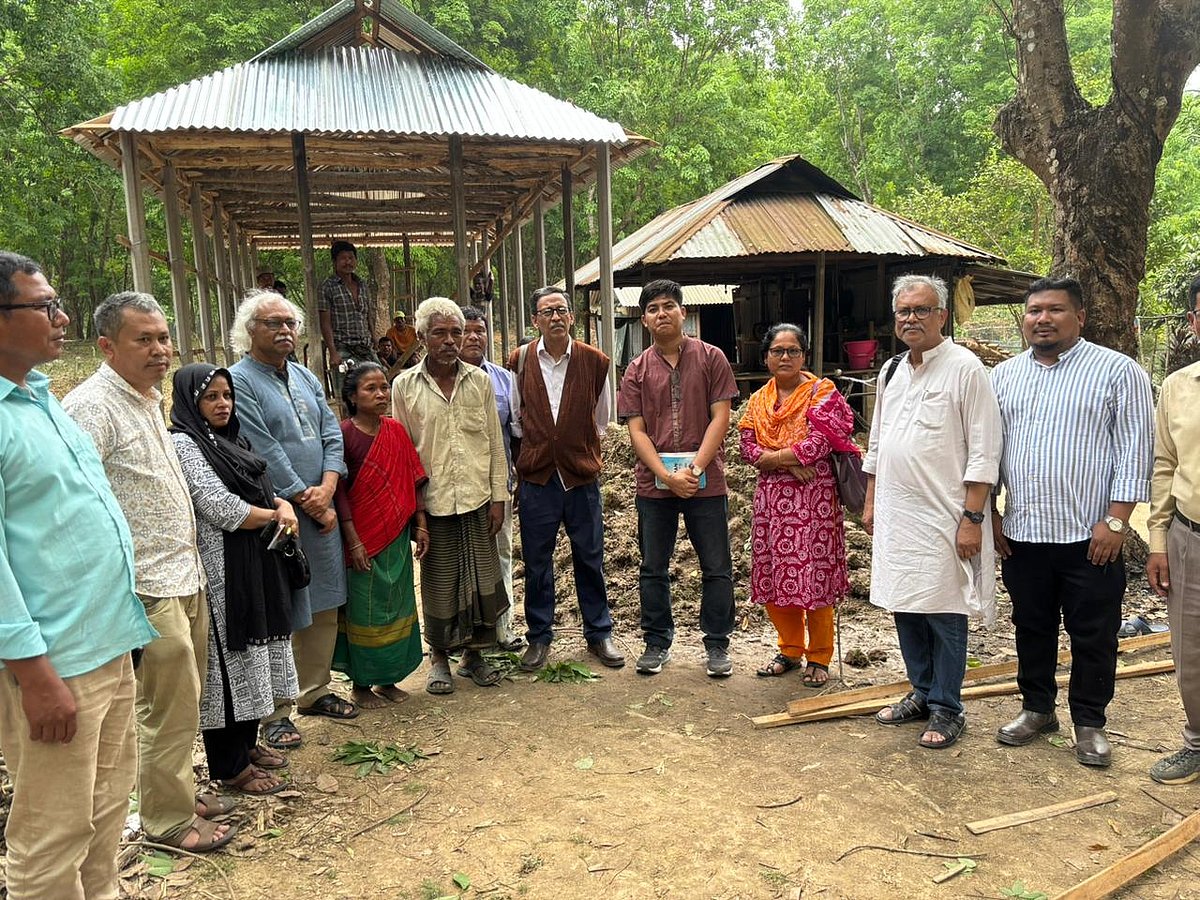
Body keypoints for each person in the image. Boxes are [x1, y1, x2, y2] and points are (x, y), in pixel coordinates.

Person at [0, 251, 158, 897]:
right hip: (54, 663)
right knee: (51, 835)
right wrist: (33, 672)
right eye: (44, 306)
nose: (61, 318)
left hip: (105, 645)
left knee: (102, 818)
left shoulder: (40, 400)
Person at [62, 292, 233, 851]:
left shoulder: (146, 398)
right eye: (145, 340)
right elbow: (78, 505)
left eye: (163, 338)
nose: (161, 350)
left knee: (186, 697)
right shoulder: (90, 407)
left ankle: (176, 792)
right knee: (166, 706)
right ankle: (166, 822)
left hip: (184, 572)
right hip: (145, 584)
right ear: (108, 346)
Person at [991, 275, 1153, 766]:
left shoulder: (1117, 371)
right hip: (1024, 532)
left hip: (1091, 535)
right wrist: (993, 516)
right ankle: (1037, 709)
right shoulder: (1004, 376)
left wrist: (1118, 521)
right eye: (1034, 310)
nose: (1042, 318)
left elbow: (1134, 449)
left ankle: (1089, 722)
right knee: (1031, 626)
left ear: (1079, 317)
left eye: (1055, 310)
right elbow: (990, 451)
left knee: (1094, 632)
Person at [863, 275, 1002, 750]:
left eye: (922, 310)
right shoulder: (891, 370)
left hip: (947, 516)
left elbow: (985, 451)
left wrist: (973, 518)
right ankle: (921, 691)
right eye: (904, 311)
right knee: (906, 603)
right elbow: (878, 442)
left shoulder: (966, 369)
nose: (911, 319)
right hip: (899, 514)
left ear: (943, 316)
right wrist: (870, 501)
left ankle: (947, 706)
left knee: (945, 610)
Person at [229, 291, 355, 750]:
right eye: (272, 323)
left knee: (322, 602)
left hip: (319, 510)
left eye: (290, 323)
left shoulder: (304, 376)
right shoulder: (239, 382)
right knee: (281, 606)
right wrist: (308, 499)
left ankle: (314, 690)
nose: (284, 330)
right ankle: (276, 710)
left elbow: (330, 432)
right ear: (249, 330)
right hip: (278, 514)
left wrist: (328, 487)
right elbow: (263, 447)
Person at [169, 363, 300, 798]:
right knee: (227, 665)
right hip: (224, 571)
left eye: (227, 395)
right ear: (191, 402)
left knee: (251, 659)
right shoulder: (185, 444)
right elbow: (221, 507)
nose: (222, 404)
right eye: (211, 397)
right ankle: (229, 766)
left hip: (254, 561)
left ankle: (246, 746)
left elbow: (261, 488)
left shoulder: (232, 439)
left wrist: (278, 502)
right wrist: (277, 513)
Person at [617, 279, 740, 677]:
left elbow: (722, 416)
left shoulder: (711, 358)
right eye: (652, 309)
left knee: (716, 565)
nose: (661, 314)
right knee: (654, 565)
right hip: (655, 486)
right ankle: (656, 641)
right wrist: (666, 477)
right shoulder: (635, 370)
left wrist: (696, 469)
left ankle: (717, 645)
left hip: (707, 482)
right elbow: (636, 430)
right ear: (645, 320)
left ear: (683, 312)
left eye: (668, 306)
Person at [391, 298, 510, 694]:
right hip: (435, 503)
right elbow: (404, 453)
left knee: (482, 580)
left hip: (477, 498)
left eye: (456, 333)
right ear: (422, 337)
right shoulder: (405, 387)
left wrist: (498, 498)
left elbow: (495, 442)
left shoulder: (480, 381)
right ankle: (439, 656)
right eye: (439, 333)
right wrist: (416, 514)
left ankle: (473, 656)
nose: (450, 341)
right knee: (440, 584)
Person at [507, 288, 622, 671]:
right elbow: (516, 418)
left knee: (589, 557)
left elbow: (602, 420)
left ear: (572, 317)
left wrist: (575, 451)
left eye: (561, 310)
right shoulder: (521, 360)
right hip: (538, 478)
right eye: (546, 312)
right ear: (535, 321)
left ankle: (599, 633)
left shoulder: (595, 362)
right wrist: (544, 449)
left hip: (580, 477)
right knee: (537, 561)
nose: (555, 317)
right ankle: (539, 637)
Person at [739, 324, 857, 685]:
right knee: (778, 573)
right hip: (773, 502)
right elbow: (747, 447)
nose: (785, 357)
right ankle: (789, 648)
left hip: (814, 502)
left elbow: (819, 444)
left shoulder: (823, 393)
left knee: (814, 573)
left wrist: (773, 458)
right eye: (778, 351)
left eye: (793, 350)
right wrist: (787, 461)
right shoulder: (758, 400)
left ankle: (819, 656)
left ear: (804, 356)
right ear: (766, 358)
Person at [332, 362, 429, 707]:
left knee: (398, 603)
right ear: (352, 397)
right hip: (362, 538)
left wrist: (421, 524)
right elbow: (339, 491)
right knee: (364, 610)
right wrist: (353, 539)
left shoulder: (396, 431)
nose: (380, 394)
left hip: (397, 536)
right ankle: (361, 683)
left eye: (384, 387)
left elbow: (413, 477)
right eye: (370, 389)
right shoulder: (343, 434)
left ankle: (388, 679)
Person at [1146, 274, 1200, 784]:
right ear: (1193, 321)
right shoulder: (1179, 388)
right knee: (1191, 649)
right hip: (1191, 537)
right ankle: (1197, 742)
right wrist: (1158, 540)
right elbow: (1165, 466)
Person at [461, 305, 524, 651]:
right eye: (466, 330)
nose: (474, 337)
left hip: (497, 488)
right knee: (461, 563)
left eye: (480, 330)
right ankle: (465, 635)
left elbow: (515, 434)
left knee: (501, 556)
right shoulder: (440, 381)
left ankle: (505, 627)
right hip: (454, 490)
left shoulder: (504, 380)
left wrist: (514, 481)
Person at [319, 240, 378, 393]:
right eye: (343, 258)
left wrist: (375, 338)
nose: (348, 262)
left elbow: (368, 315)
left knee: (376, 383)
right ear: (335, 262)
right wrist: (333, 352)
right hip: (343, 347)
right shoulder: (328, 287)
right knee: (347, 394)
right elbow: (325, 322)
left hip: (365, 346)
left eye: (351, 258)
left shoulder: (362, 285)